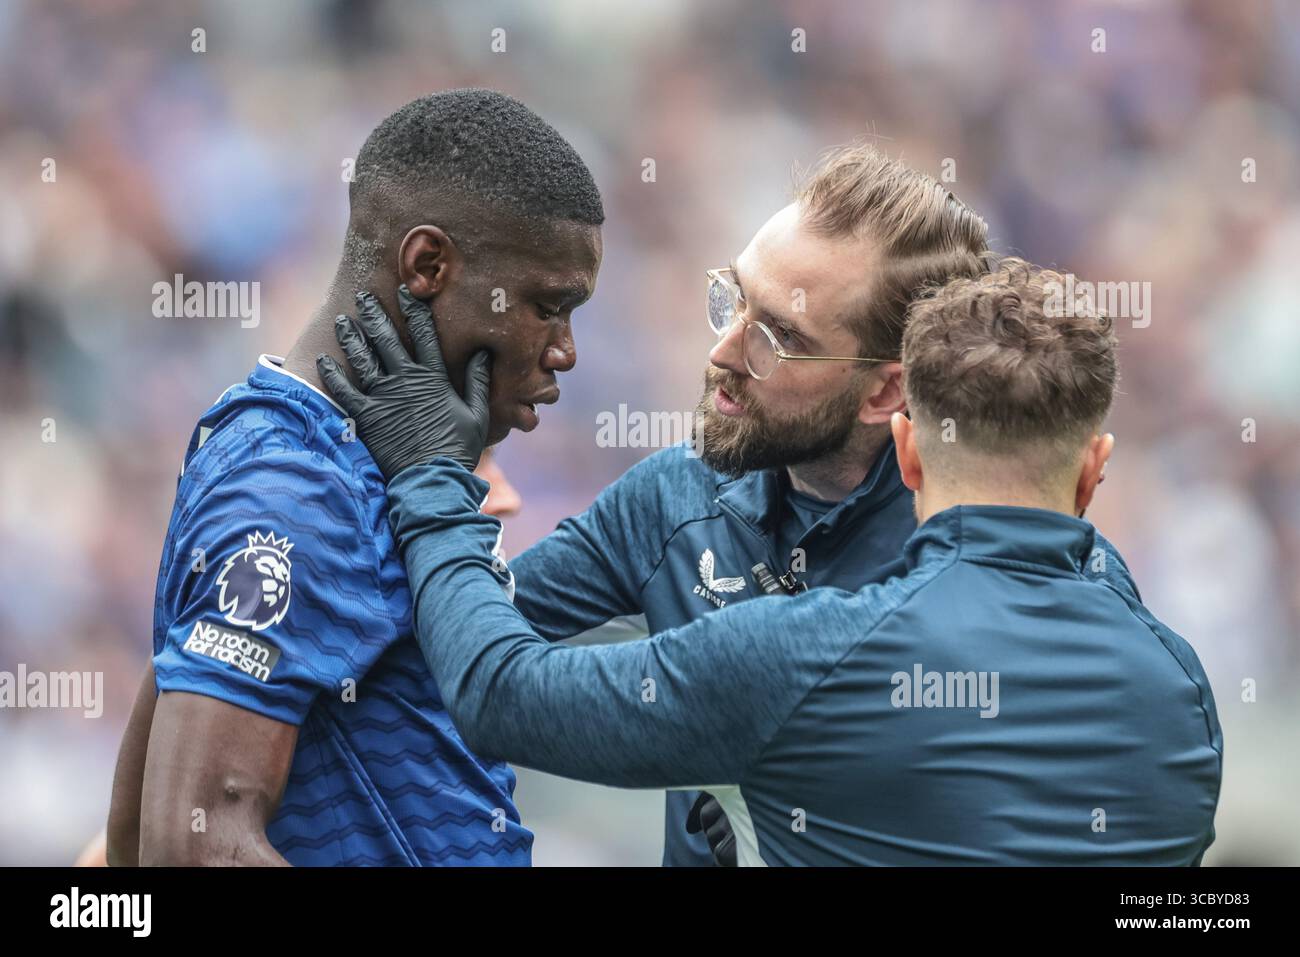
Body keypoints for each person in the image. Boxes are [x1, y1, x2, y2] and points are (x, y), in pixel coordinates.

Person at [319, 257, 1223, 866]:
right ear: (1095, 469)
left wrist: (435, 476)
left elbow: (497, 692)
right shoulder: (1182, 691)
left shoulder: (797, 657)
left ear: (907, 449)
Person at [111, 88, 603, 866]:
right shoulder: (294, 485)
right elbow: (191, 845)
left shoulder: (351, 463)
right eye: (548, 306)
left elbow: (133, 835)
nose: (566, 349)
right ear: (428, 264)